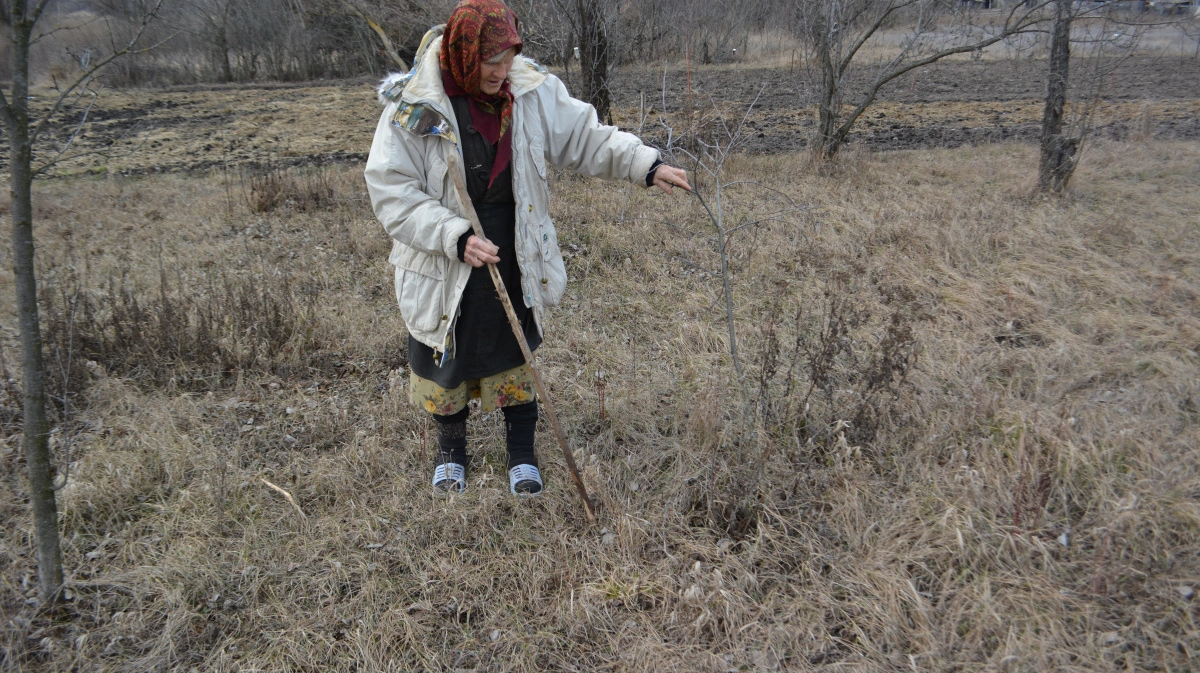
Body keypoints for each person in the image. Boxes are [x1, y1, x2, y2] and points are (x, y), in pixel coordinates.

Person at [365, 0, 690, 497]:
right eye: (491, 60)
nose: (501, 71)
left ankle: (522, 453)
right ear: (465, 53)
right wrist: (453, 236)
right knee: (444, 357)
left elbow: (585, 137)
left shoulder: (531, 90)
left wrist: (645, 165)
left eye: (509, 56)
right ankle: (451, 453)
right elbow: (392, 191)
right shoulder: (414, 108)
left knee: (516, 349)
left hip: (513, 242)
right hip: (444, 249)